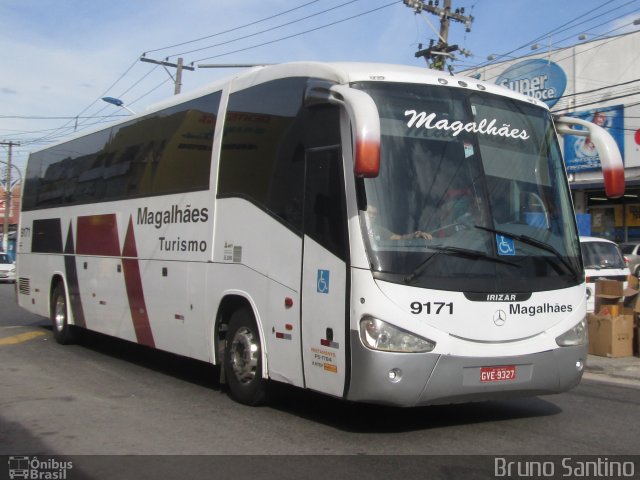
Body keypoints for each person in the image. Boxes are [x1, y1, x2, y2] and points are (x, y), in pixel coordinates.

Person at [364, 205, 432, 242]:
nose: (372, 216)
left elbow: (399, 237)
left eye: (374, 214)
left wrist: (416, 234)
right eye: (369, 212)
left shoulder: (379, 230)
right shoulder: (356, 228)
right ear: (363, 213)